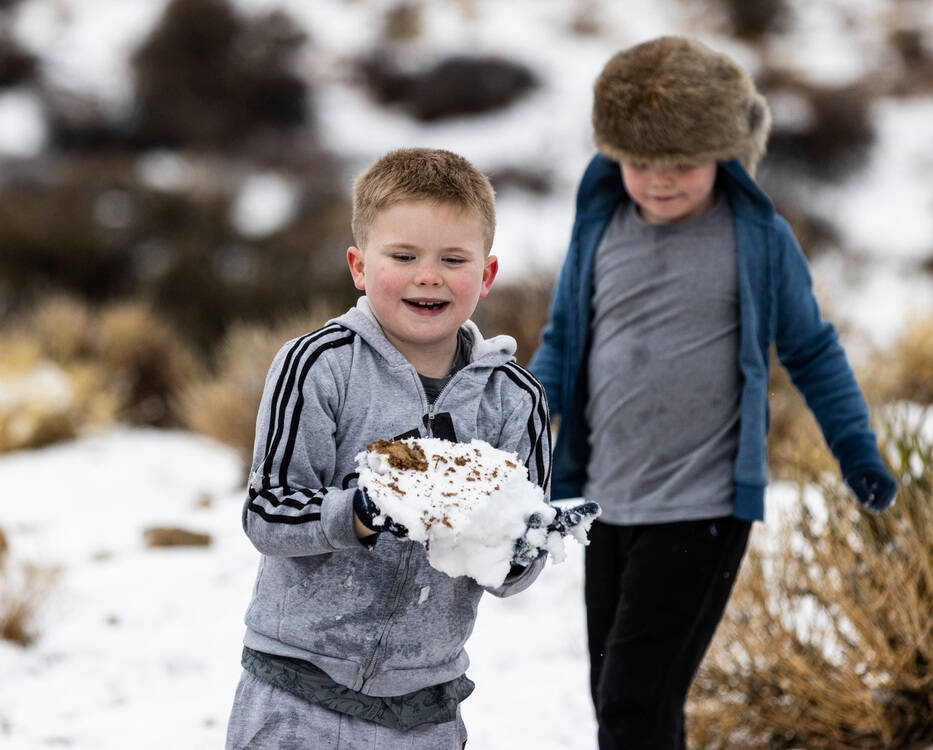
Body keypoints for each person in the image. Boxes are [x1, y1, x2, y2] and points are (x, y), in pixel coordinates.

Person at [528, 36, 898, 750]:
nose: (659, 181)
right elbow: (562, 343)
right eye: (639, 163)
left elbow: (812, 350)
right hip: (608, 501)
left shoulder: (757, 238)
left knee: (633, 703)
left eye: (682, 164)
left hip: (701, 508)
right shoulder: (600, 228)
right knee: (624, 702)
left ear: (726, 153)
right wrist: (515, 426)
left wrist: (857, 450)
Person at [225, 147, 594, 749]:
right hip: (296, 689)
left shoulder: (514, 399)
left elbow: (507, 574)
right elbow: (268, 513)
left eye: (454, 259)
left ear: (487, 274)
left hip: (425, 708)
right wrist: (365, 512)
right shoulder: (317, 365)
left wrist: (532, 537)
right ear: (359, 266)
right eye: (404, 256)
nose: (429, 275)